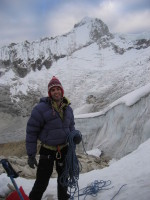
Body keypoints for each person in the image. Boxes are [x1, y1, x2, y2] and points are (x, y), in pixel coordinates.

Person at [26, 76, 82, 200]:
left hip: (64, 149)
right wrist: (31, 154)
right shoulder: (40, 109)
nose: (56, 92)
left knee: (63, 178)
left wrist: (75, 137)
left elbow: (71, 126)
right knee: (42, 180)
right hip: (48, 150)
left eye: (58, 89)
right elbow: (31, 131)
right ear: (49, 93)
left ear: (61, 91)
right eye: (53, 90)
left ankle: (63, 198)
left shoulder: (68, 108)